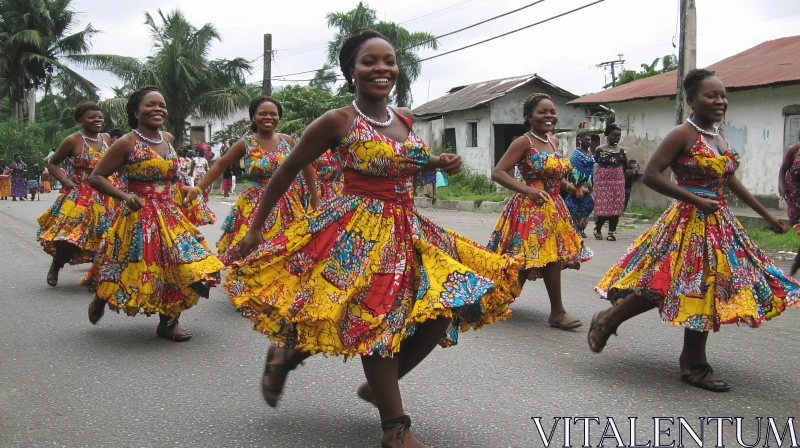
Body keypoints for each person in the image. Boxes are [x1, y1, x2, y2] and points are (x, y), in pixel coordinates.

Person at [226, 29, 522, 448]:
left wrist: (439, 162)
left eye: (389, 61)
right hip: (357, 231)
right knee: (372, 318)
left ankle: (308, 361)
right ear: (352, 71)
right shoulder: (337, 120)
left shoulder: (404, 117)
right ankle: (394, 428)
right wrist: (255, 227)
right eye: (369, 62)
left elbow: (403, 163)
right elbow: (286, 169)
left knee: (441, 308)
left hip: (407, 227)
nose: (381, 68)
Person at [589, 69, 799, 392]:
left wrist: (766, 214)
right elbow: (652, 176)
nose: (720, 101)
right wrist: (696, 200)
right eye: (711, 95)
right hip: (688, 220)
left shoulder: (719, 136)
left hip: (718, 221)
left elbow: (727, 180)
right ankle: (690, 363)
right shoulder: (683, 134)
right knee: (680, 284)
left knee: (696, 285)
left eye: (723, 95)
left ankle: (613, 322)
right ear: (690, 100)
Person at [82, 86, 224, 341]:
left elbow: (173, 178)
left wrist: (187, 188)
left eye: (162, 105)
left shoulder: (167, 139)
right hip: (138, 215)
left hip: (170, 213)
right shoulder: (127, 142)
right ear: (136, 111)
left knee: (180, 263)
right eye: (150, 105)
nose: (158, 109)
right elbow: (96, 177)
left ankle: (168, 322)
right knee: (124, 265)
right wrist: (124, 197)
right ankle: (102, 296)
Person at [488, 93, 592, 331]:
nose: (549, 116)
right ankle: (496, 299)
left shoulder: (553, 141)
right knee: (521, 260)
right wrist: (527, 190)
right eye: (542, 112)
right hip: (529, 209)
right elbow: (499, 172)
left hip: (554, 208)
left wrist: (571, 188)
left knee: (549, 257)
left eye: (552, 112)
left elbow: (554, 175)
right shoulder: (523, 142)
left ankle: (557, 312)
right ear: (529, 116)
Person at [183, 96, 318, 262]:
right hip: (255, 203)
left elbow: (306, 165)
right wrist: (198, 188)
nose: (268, 117)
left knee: (287, 251)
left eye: (273, 114)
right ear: (254, 117)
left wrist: (314, 199)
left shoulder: (287, 141)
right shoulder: (245, 143)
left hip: (288, 203)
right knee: (250, 253)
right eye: (263, 113)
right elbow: (221, 164)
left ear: (279, 117)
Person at [37, 101, 117, 286]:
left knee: (104, 236)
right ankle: (57, 264)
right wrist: (66, 181)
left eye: (99, 117)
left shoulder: (106, 138)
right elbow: (52, 163)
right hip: (80, 195)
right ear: (81, 120)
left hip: (105, 194)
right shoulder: (73, 140)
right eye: (91, 117)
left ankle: (99, 274)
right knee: (69, 237)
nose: (97, 120)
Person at [592, 124, 627, 241]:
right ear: (608, 134)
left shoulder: (621, 150)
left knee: (616, 206)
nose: (616, 138)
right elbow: (596, 162)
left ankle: (611, 232)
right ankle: (598, 227)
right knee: (603, 206)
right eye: (614, 135)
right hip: (602, 182)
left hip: (617, 181)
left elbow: (625, 166)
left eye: (619, 136)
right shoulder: (600, 149)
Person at [563, 133, 595, 237]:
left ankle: (580, 228)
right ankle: (574, 228)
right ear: (580, 140)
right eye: (586, 139)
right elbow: (574, 171)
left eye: (589, 140)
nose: (588, 142)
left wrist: (591, 184)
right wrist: (579, 186)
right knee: (573, 206)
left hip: (589, 181)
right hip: (578, 183)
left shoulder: (589, 153)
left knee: (588, 205)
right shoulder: (576, 155)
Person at [779, 129, 800, 274]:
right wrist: (781, 187)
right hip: (796, 199)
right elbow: (783, 170)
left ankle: (793, 269)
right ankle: (793, 269)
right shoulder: (795, 149)